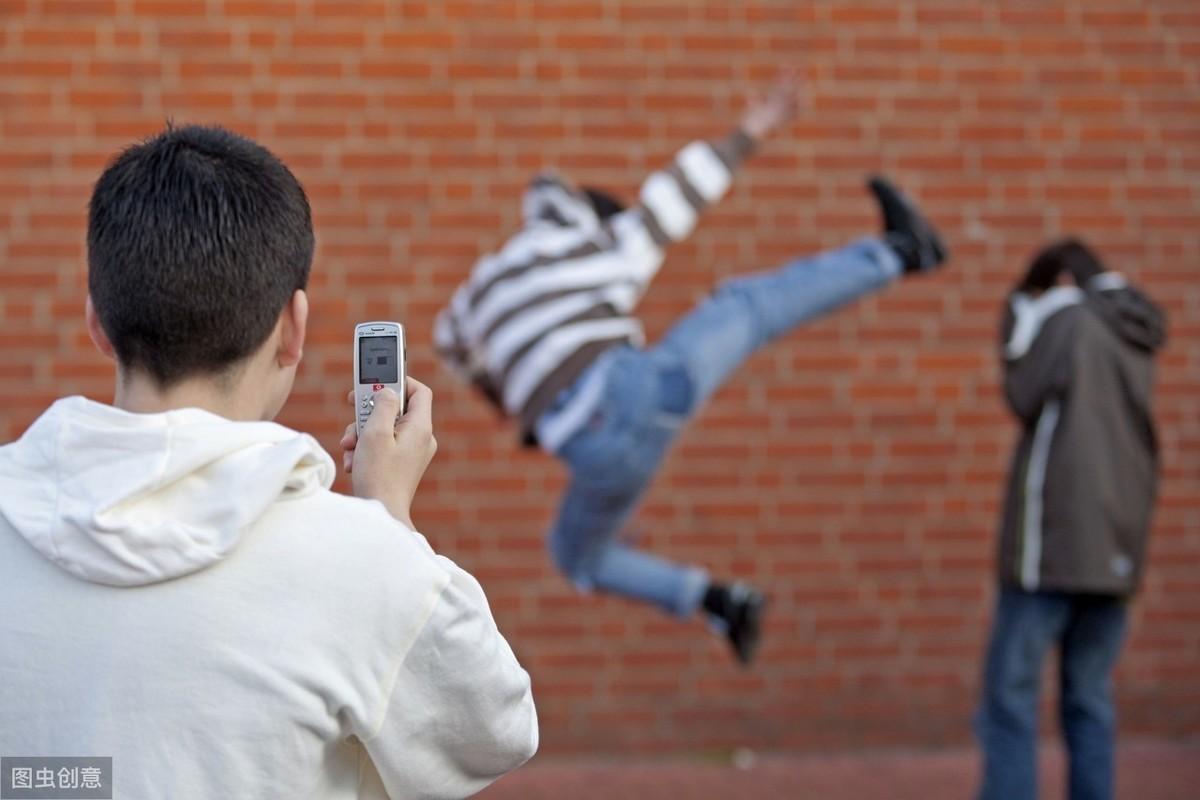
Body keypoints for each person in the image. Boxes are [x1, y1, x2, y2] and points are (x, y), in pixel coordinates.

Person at [0, 125, 537, 799]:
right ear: (293, 328)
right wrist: (389, 518)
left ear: (97, 321)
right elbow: (498, 731)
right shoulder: (364, 565)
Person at [433, 72, 948, 664]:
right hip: (638, 395)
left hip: (586, 448)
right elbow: (673, 198)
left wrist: (503, 398)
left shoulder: (476, 294)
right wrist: (750, 133)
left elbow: (451, 343)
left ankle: (717, 601)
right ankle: (901, 251)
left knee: (579, 558)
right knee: (745, 307)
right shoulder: (595, 246)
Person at [976, 239, 1166, 800]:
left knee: (1010, 696)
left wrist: (1019, 307)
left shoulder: (1070, 323)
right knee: (1089, 697)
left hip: (1052, 550)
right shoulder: (1134, 331)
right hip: (1116, 548)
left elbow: (1021, 391)